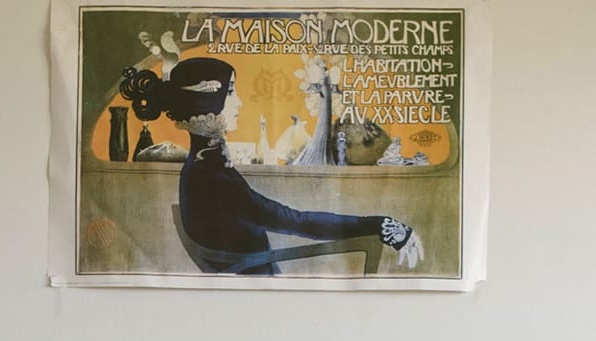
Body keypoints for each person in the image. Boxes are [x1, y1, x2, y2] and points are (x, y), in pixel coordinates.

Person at [119, 58, 426, 274]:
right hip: (256, 291)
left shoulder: (206, 167)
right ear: (206, 105)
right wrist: (381, 226)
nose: (239, 102)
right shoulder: (212, 177)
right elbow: (297, 221)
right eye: (229, 93)